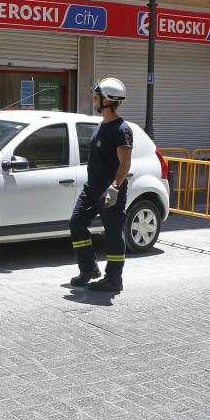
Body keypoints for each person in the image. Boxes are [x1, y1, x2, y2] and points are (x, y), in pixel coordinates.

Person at [69, 77, 133, 293]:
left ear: (107, 100)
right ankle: (88, 270)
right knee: (77, 223)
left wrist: (114, 188)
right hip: (92, 189)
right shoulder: (103, 125)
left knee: (113, 233)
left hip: (109, 190)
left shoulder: (121, 129)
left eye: (97, 96)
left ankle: (114, 279)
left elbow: (125, 163)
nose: (94, 99)